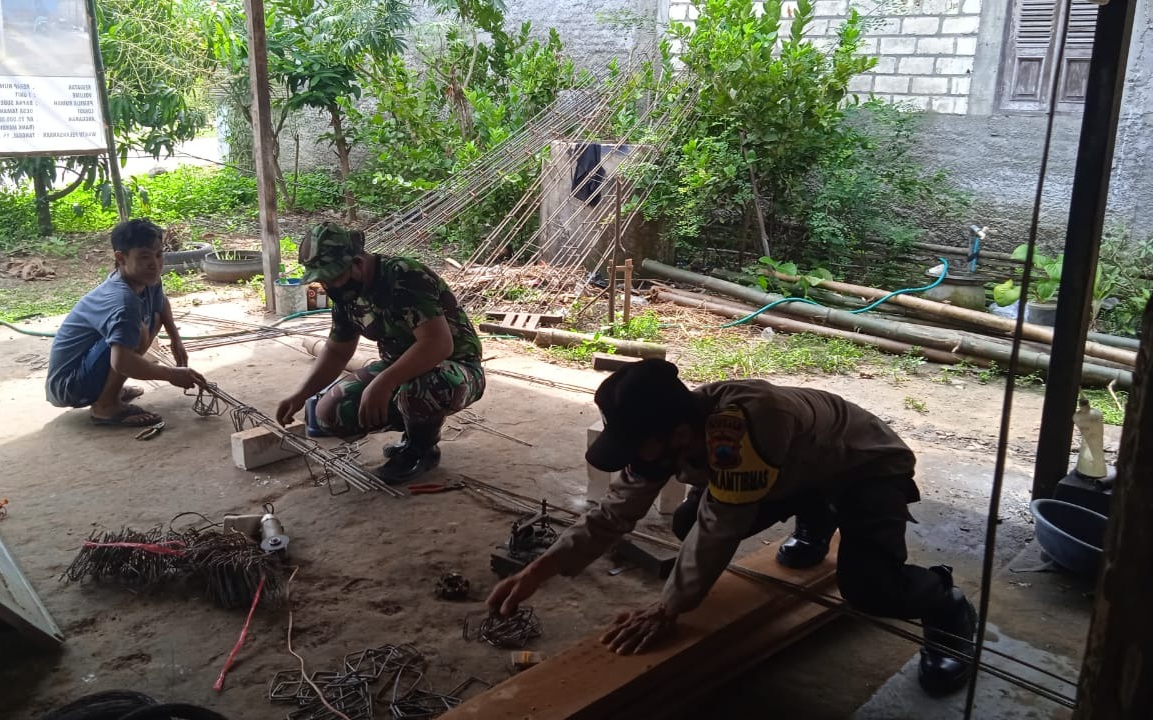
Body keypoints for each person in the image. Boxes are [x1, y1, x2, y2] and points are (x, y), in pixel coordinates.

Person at [486, 358, 978, 696]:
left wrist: (667, 609)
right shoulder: (670, 433)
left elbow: (720, 527)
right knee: (685, 522)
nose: (635, 458)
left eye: (639, 446)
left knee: (869, 589)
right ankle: (816, 516)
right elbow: (613, 513)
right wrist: (539, 572)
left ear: (677, 433)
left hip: (861, 465)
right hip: (798, 468)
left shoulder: (742, 428)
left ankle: (946, 608)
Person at [275, 222, 484, 483]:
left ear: (358, 263)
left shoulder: (405, 276)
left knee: (418, 389)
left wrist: (384, 383)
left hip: (456, 367)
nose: (328, 286)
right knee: (330, 412)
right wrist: (301, 395)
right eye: (323, 279)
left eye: (333, 276)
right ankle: (413, 426)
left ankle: (421, 450)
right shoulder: (345, 293)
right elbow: (337, 351)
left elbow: (438, 345)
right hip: (400, 366)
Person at [46, 219, 204, 426]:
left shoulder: (147, 278)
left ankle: (111, 391)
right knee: (138, 331)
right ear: (120, 258)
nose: (155, 264)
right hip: (69, 385)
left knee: (153, 319)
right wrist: (171, 374)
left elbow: (161, 303)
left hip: (86, 367)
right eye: (144, 257)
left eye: (158, 255)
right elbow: (121, 362)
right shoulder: (123, 300)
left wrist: (176, 339)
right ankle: (105, 406)